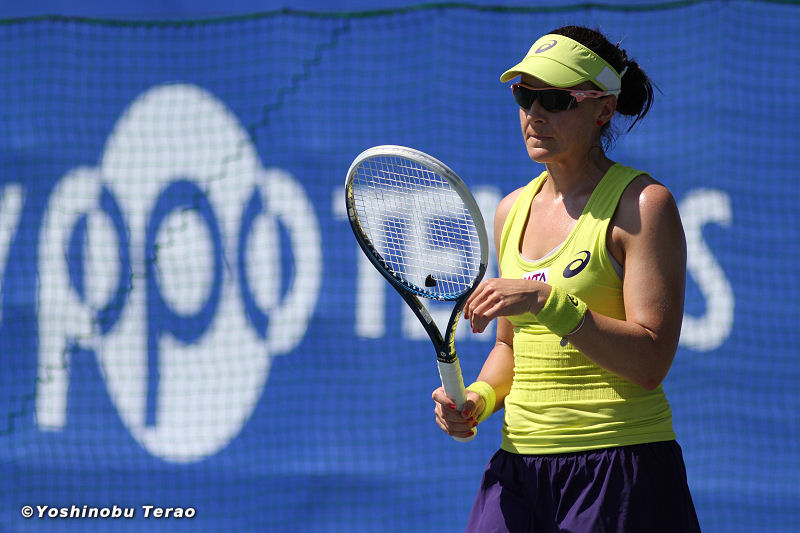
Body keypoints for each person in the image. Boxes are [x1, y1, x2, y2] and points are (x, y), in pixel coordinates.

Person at [431, 25, 701, 532]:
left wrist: (546, 300)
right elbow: (508, 347)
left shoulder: (643, 205)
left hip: (619, 467)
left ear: (603, 110)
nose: (535, 113)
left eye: (556, 99)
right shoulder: (510, 210)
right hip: (517, 469)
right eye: (525, 95)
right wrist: (478, 400)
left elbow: (650, 362)